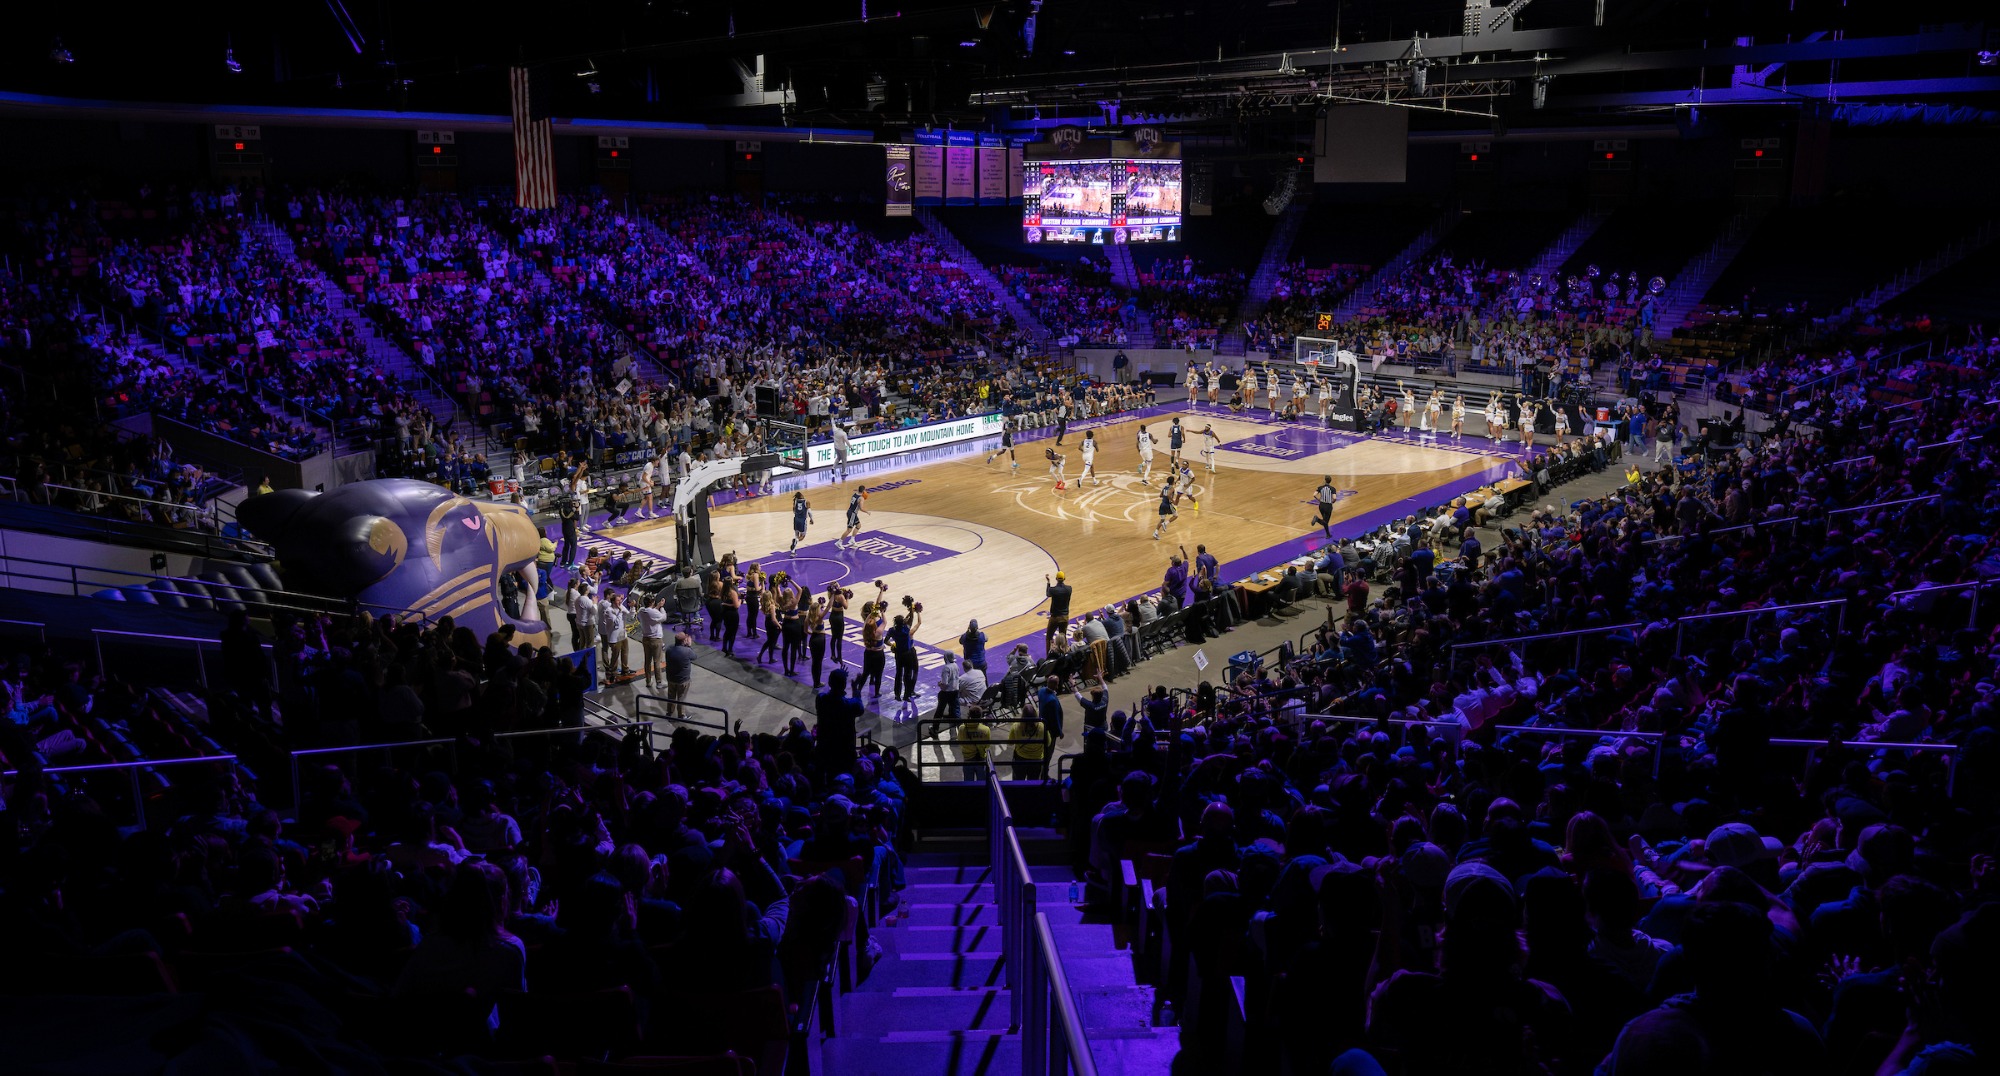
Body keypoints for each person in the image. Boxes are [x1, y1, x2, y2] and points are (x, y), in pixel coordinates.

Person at [814, 669, 863, 778]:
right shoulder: (849, 705)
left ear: (830, 683)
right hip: (844, 751)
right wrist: (855, 688)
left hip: (824, 747)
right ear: (844, 685)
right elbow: (859, 708)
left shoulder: (820, 699)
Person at [638, 593, 670, 688]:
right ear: (652, 602)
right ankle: (659, 682)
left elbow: (652, 612)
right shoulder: (653, 612)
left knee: (647, 661)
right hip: (655, 639)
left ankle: (648, 681)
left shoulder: (641, 610)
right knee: (657, 661)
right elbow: (663, 617)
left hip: (646, 639)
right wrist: (662, 607)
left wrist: (657, 606)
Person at [662, 631, 695, 716]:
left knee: (671, 697)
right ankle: (681, 715)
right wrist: (689, 646)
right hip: (682, 680)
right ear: (684, 641)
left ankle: (669, 713)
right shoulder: (687, 651)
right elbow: (694, 657)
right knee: (681, 697)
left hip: (671, 678)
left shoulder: (669, 649)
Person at [958, 706, 992, 781]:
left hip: (967, 759)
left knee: (968, 784)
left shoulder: (962, 728)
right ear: (980, 716)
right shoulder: (985, 729)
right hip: (981, 758)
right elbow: (987, 745)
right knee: (982, 783)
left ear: (969, 715)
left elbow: (960, 742)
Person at [1045, 572, 1074, 648]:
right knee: (1063, 637)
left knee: (1049, 637)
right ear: (1064, 578)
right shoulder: (1069, 589)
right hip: (1065, 617)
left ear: (1056, 579)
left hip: (1054, 617)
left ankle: (1049, 656)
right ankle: (1064, 653)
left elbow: (1048, 594)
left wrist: (1048, 582)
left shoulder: (1053, 590)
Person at [837, 484, 869, 549]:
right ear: (863, 491)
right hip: (852, 514)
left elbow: (857, 490)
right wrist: (867, 512)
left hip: (850, 512)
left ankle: (852, 540)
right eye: (865, 490)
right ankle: (839, 542)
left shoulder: (855, 494)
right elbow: (861, 508)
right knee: (849, 530)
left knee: (858, 525)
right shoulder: (861, 498)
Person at [1314, 474, 1337, 539]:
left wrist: (1319, 499)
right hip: (1328, 506)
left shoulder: (1320, 487)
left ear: (1325, 480)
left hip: (1321, 505)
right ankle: (1317, 519)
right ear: (1330, 481)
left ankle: (1328, 534)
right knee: (1325, 521)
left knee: (1324, 521)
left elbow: (1314, 494)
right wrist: (1332, 502)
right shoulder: (1332, 488)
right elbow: (1334, 498)